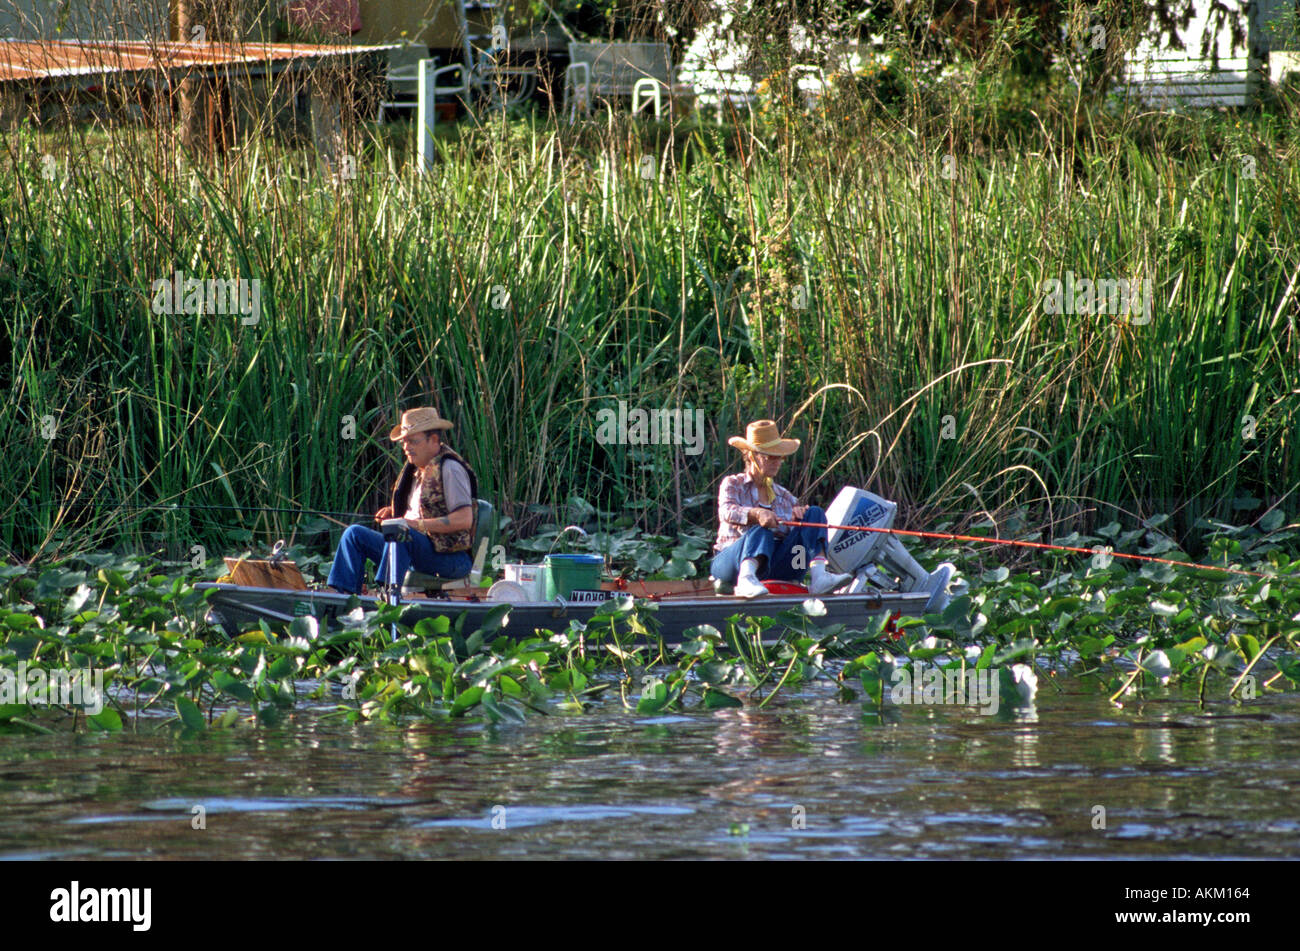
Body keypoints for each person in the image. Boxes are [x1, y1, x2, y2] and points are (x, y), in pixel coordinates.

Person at [326, 407, 478, 595]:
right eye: (404, 441)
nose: (406, 447)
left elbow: (464, 520)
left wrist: (413, 524)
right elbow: (419, 512)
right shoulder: (417, 470)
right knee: (354, 534)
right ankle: (345, 598)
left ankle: (388, 595)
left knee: (403, 533)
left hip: (451, 558)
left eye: (413, 441)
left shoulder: (450, 469)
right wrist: (393, 514)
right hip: (413, 549)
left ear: (434, 440)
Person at [710, 419, 852, 599]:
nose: (777, 462)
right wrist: (756, 513)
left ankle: (819, 576)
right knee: (762, 531)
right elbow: (726, 511)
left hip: (781, 566)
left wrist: (798, 519)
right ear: (752, 456)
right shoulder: (732, 484)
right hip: (730, 565)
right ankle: (746, 579)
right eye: (771, 457)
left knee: (814, 513)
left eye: (780, 457)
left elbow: (799, 531)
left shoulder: (783, 495)